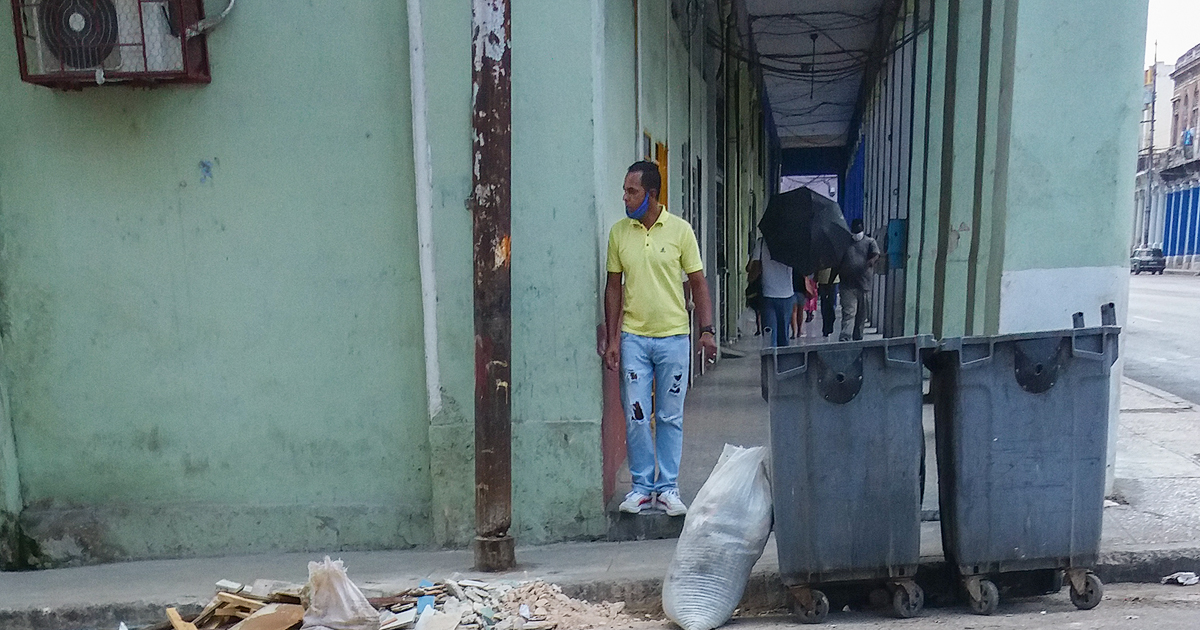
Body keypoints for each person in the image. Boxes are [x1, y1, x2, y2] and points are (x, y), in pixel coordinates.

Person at [604, 161, 717, 516]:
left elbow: (698, 282)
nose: (624, 197)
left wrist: (706, 330)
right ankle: (641, 487)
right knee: (637, 414)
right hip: (634, 338)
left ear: (651, 194)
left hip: (673, 339)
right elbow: (613, 288)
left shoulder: (681, 232)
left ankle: (668, 487)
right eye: (624, 190)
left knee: (670, 416)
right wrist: (612, 339)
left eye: (631, 191)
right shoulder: (619, 233)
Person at [837, 219, 880, 341]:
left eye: (858, 231)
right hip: (847, 285)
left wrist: (871, 261)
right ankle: (845, 337)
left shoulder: (870, 242)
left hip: (864, 285)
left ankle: (858, 337)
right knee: (849, 313)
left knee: (862, 315)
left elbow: (876, 254)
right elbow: (837, 261)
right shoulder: (845, 243)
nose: (856, 234)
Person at [749, 236, 794, 347]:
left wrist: (751, 277)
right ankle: (783, 363)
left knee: (769, 339)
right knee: (784, 338)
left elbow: (754, 268)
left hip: (768, 295)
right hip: (787, 295)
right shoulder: (792, 242)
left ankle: (771, 363)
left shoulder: (762, 242)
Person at [816, 268, 838, 337]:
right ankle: (827, 327)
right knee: (828, 305)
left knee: (828, 305)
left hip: (830, 281)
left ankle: (827, 326)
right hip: (826, 281)